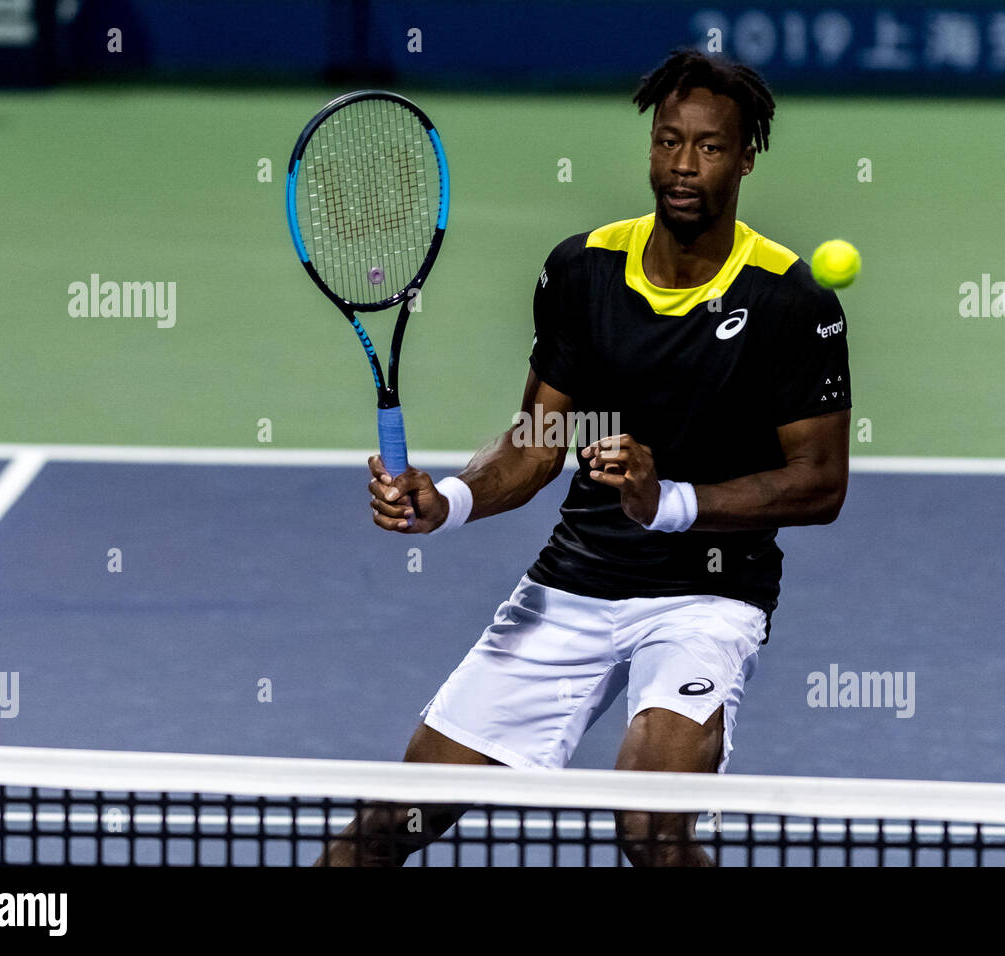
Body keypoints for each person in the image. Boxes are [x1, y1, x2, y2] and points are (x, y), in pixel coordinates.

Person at [320, 48, 852, 867]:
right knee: (387, 827)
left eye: (708, 147)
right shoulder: (583, 269)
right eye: (667, 141)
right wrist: (450, 500)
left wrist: (666, 501)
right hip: (576, 581)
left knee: (649, 828)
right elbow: (539, 442)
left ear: (746, 157)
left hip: (705, 595)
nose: (682, 166)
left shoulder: (790, 301)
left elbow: (819, 485)